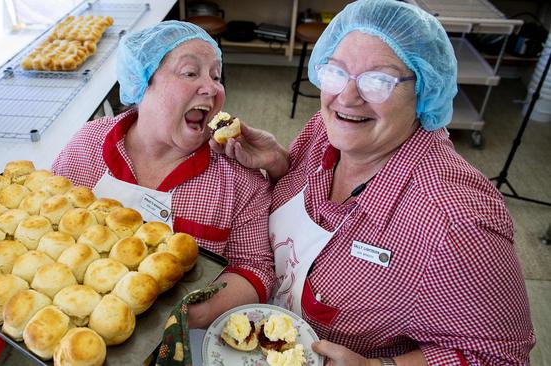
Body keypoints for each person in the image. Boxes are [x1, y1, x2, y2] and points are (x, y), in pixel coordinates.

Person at [211, 0, 535, 364]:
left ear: (424, 89)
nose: (347, 97)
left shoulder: (455, 221)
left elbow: (498, 356)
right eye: (336, 72)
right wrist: (279, 164)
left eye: (378, 80)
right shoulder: (325, 130)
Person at [51, 21, 275, 328]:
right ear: (143, 83)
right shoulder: (86, 146)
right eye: (190, 72)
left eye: (216, 76)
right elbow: (50, 215)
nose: (212, 87)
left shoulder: (238, 180)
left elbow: (256, 269)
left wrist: (195, 314)